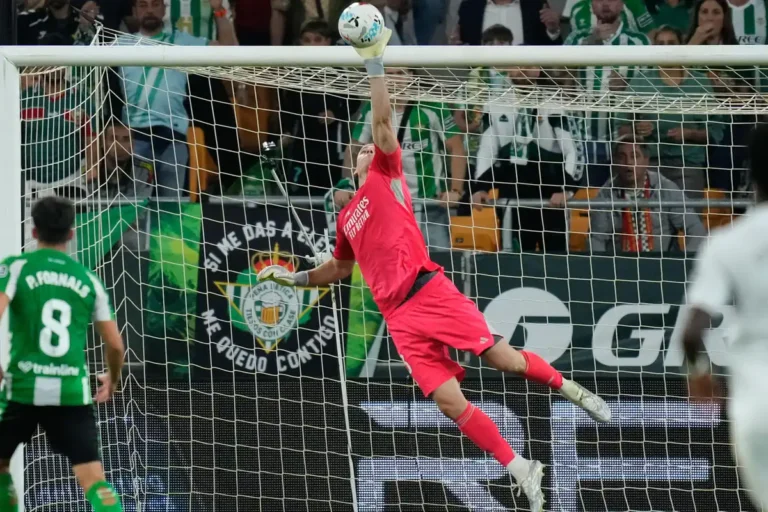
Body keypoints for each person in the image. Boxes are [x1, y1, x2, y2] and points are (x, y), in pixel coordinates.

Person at [258, 28, 611, 511]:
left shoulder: (386, 175)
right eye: (358, 151)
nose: (365, 149)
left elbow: (383, 122)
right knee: (448, 402)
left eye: (369, 148)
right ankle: (521, 467)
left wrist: (374, 63)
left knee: (501, 360)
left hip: (427, 290)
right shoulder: (346, 216)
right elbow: (339, 268)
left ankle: (571, 388)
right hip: (399, 318)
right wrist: (293, 278)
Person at [0, 196, 126, 512]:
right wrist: (113, 378)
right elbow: (115, 344)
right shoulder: (89, 280)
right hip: (71, 392)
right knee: (95, 480)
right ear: (72, 233)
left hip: (22, 389)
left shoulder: (15, 268)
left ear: (33, 230)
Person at [682, 123, 768, 511]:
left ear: (752, 177)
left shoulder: (727, 241)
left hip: (756, 409)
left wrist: (700, 375)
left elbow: (691, 331)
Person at [115, 0, 236, 197]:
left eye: (155, 5)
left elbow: (229, 52)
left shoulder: (182, 41)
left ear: (164, 9)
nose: (150, 11)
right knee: (134, 210)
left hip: (173, 138)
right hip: (135, 139)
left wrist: (220, 11)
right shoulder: (121, 44)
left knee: (171, 211)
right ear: (135, 11)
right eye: (143, 6)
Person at [343, 68, 466, 251]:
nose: (395, 79)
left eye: (400, 73)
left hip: (429, 206)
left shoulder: (432, 107)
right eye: (389, 73)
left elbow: (456, 148)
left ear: (412, 77)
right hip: (388, 208)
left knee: (439, 262)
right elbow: (353, 149)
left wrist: (455, 189)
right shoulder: (372, 109)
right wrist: (348, 185)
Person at [616, 25, 724, 196]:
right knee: (651, 221)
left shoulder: (701, 83)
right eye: (660, 44)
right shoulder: (639, 82)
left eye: (671, 43)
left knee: (687, 220)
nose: (666, 48)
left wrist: (690, 134)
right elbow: (621, 126)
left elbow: (716, 131)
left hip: (688, 165)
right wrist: (637, 131)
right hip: (649, 164)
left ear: (681, 46)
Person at [565, 0, 651, 188]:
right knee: (586, 209)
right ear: (591, 5)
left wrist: (627, 88)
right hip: (582, 143)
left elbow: (651, 94)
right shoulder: (576, 40)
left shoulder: (639, 42)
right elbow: (561, 87)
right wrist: (589, 44)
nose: (605, 4)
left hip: (625, 146)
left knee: (623, 208)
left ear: (621, 4)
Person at [589, 140, 707, 253]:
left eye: (634, 156)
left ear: (646, 161)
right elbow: (596, 238)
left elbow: (695, 230)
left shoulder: (665, 188)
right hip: (619, 267)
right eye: (622, 157)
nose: (628, 162)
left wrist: (682, 265)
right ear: (615, 162)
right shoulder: (606, 193)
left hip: (663, 265)